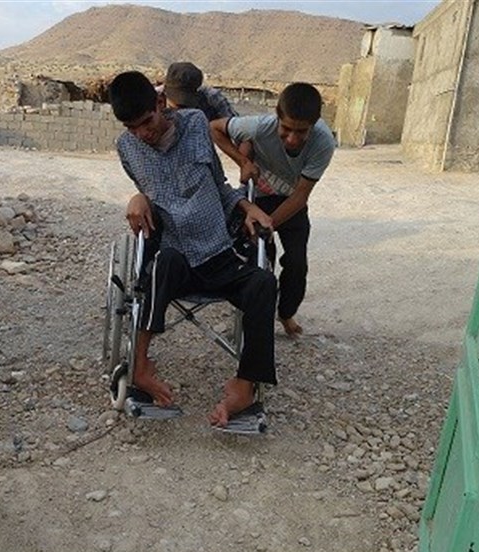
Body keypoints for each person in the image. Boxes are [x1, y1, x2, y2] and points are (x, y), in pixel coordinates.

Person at [108, 70, 277, 427]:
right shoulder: (127, 147)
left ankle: (245, 387)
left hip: (218, 254)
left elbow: (219, 184)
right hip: (176, 260)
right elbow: (147, 191)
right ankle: (139, 367)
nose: (141, 134)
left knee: (263, 283)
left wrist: (247, 206)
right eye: (131, 128)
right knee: (163, 263)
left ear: (160, 103)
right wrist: (138, 198)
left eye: (146, 122)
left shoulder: (196, 124)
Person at [210, 82, 335, 338]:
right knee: (258, 261)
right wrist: (243, 161)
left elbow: (300, 197)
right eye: (286, 129)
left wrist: (267, 225)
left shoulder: (324, 143)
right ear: (277, 116)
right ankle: (254, 318)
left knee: (297, 264)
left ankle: (286, 313)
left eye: (302, 132)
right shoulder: (259, 126)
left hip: (292, 204)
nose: (292, 139)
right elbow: (214, 128)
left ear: (314, 124)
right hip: (258, 199)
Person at [159, 61, 237, 121]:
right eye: (176, 104)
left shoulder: (211, 98)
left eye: (185, 106)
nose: (181, 110)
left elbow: (231, 124)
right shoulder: (155, 100)